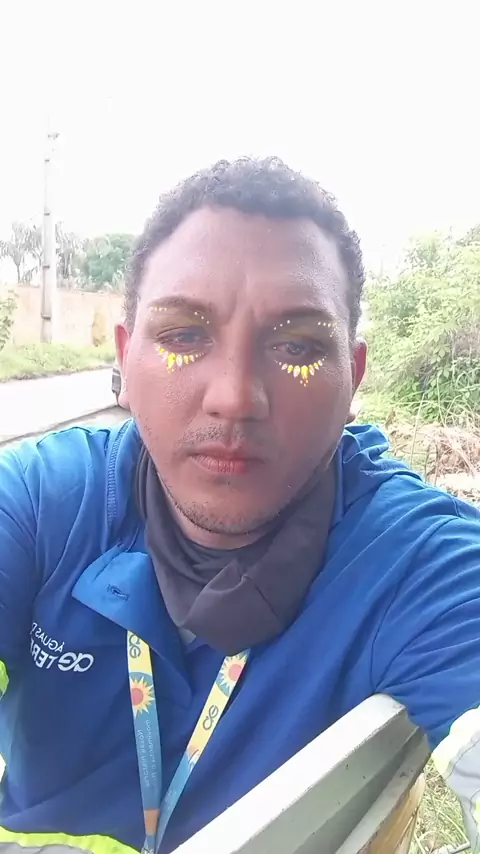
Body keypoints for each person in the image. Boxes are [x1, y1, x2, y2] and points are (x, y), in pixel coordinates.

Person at [0, 157, 479, 854]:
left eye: (297, 346)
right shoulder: (41, 505)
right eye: (183, 336)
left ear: (353, 377)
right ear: (125, 363)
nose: (234, 397)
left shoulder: (419, 565)